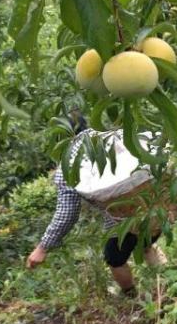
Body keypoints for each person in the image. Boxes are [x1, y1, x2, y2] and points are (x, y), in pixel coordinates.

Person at [26, 115, 168, 297]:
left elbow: (67, 213)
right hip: (158, 208)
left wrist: (42, 248)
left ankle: (130, 295)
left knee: (114, 258)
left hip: (125, 223)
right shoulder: (114, 136)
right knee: (146, 242)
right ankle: (168, 281)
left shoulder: (68, 167)